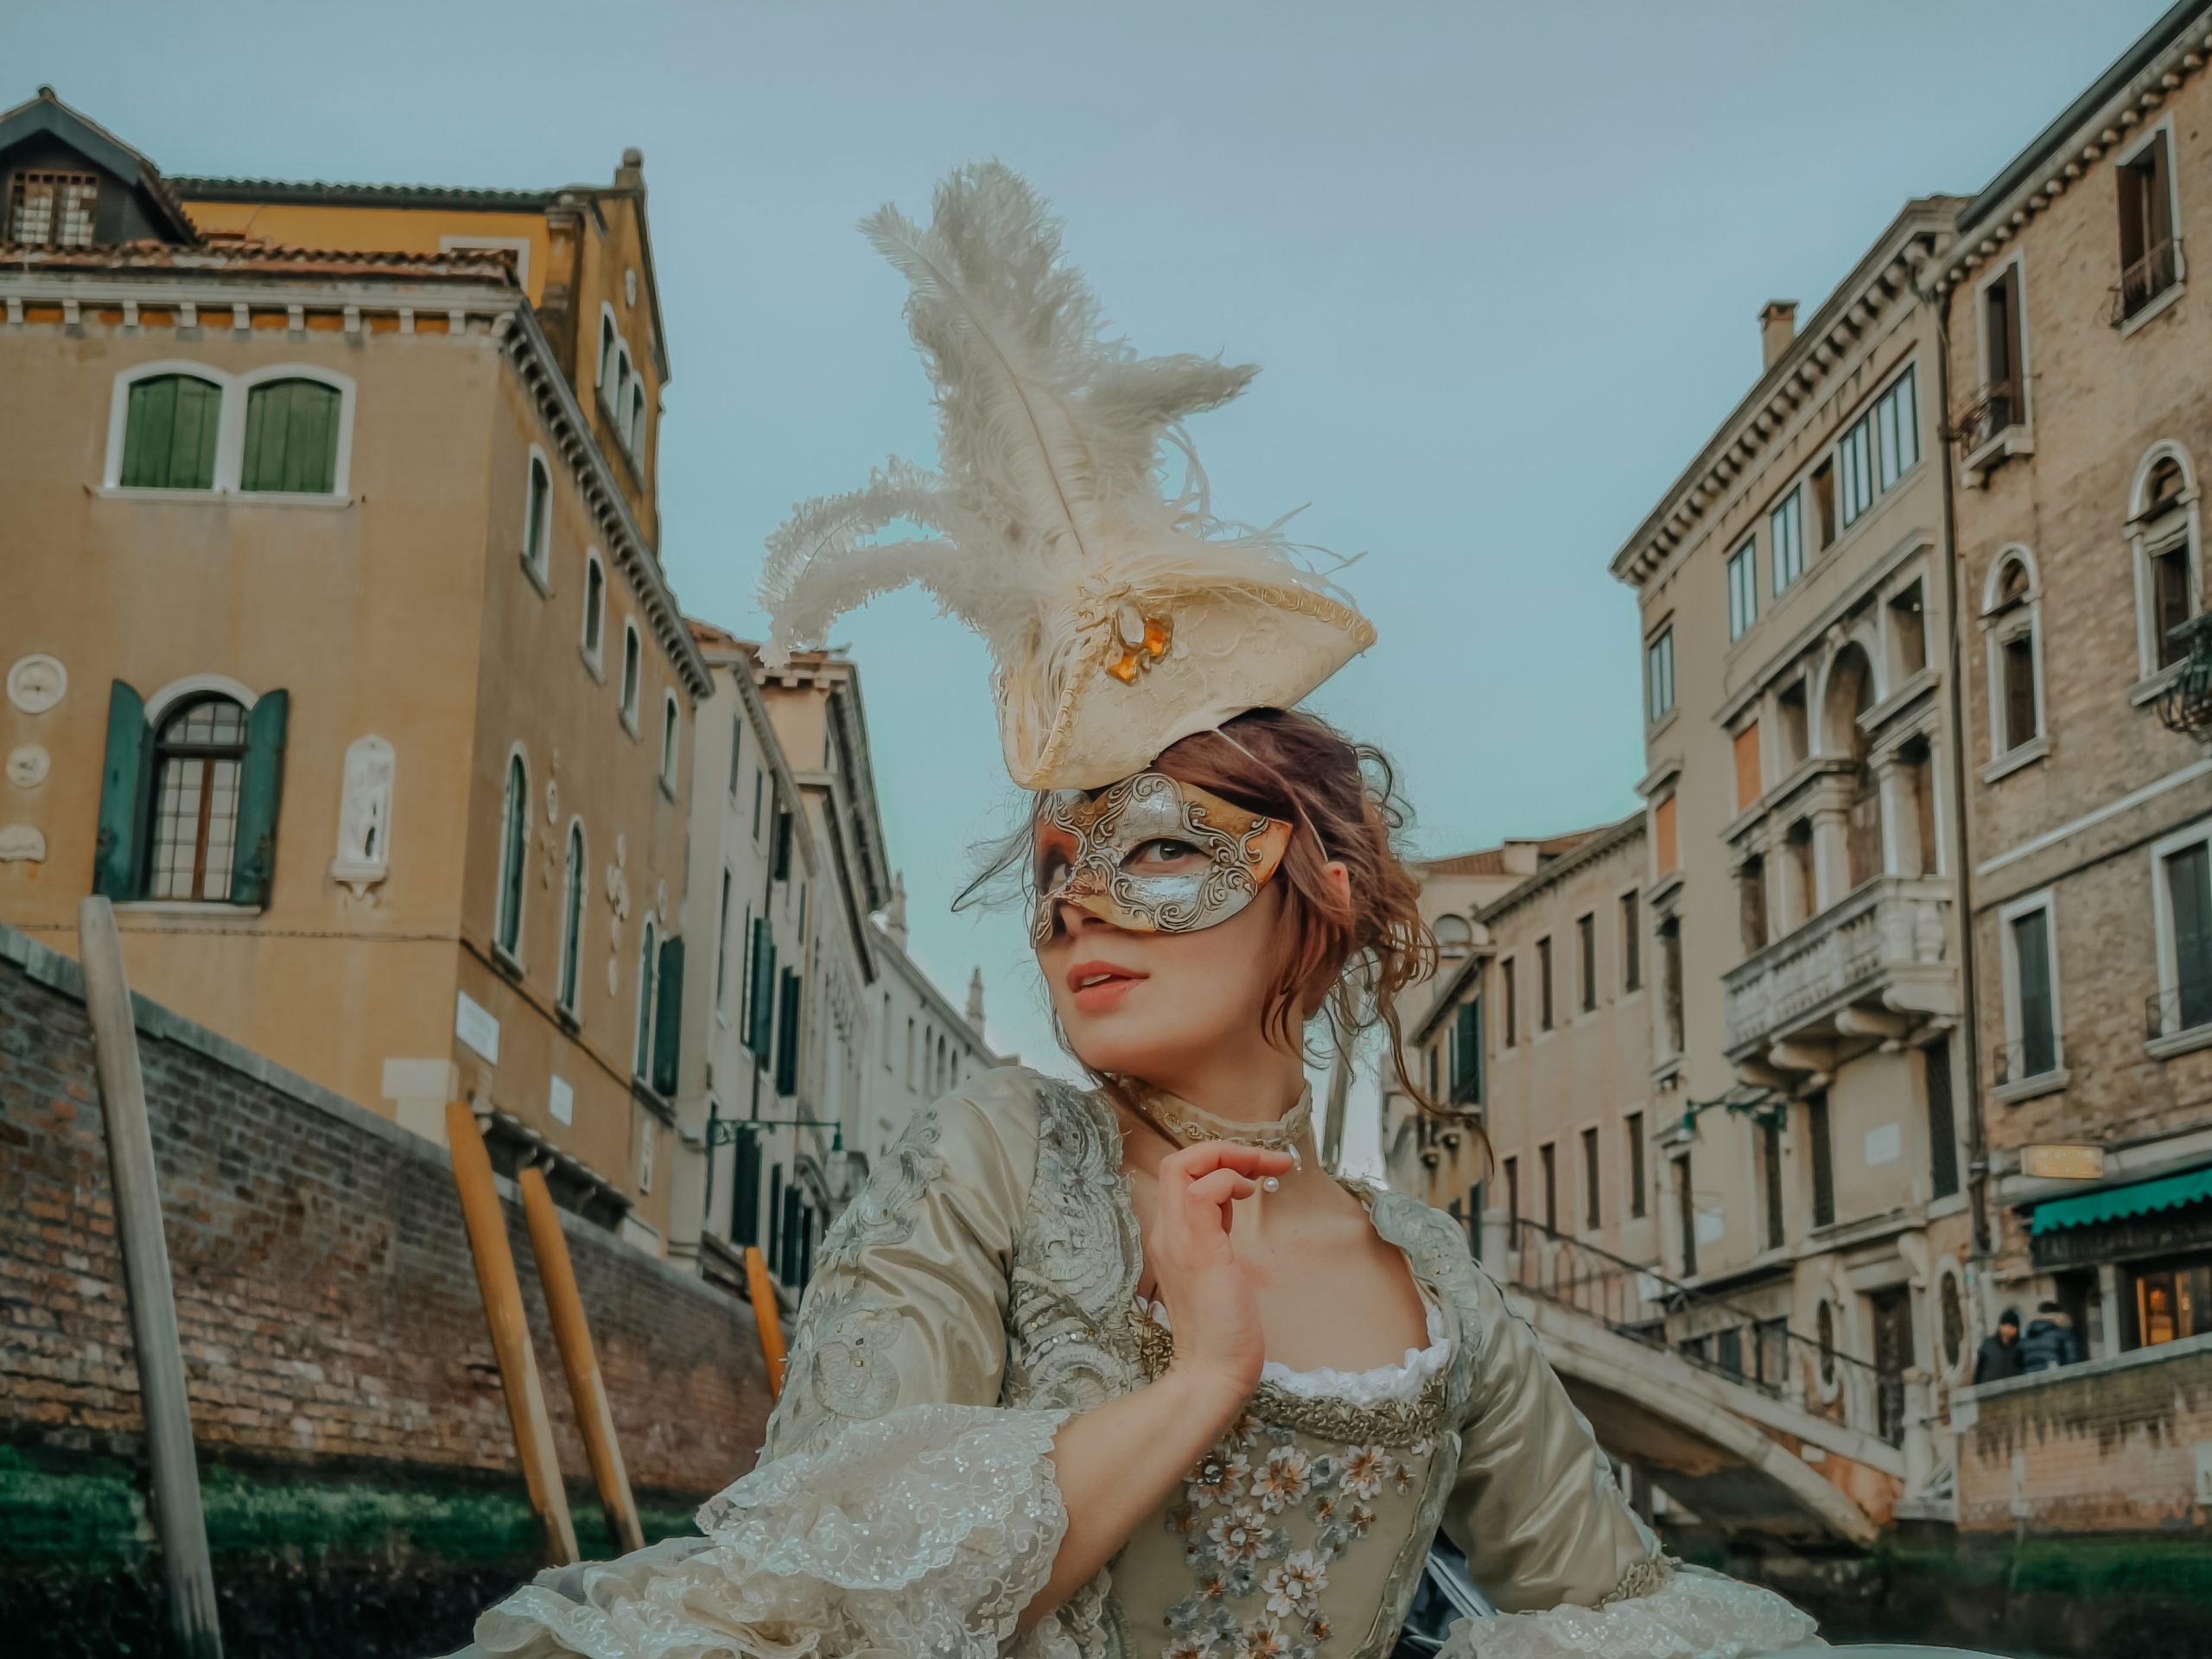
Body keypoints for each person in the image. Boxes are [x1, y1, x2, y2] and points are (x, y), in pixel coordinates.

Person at [451, 163, 1820, 1659]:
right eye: (1053, 873)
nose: (1075, 914)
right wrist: (1199, 1379)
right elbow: (834, 1601)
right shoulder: (991, 1164)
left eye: (1159, 853)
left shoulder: (1436, 1280)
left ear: (1322, 894)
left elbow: (1627, 1618)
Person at [2018, 1300, 2084, 1372]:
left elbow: (2018, 1362)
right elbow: (2073, 1360)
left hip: (2031, 1377)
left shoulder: (2027, 1336)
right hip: (2057, 1377)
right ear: (2059, 1315)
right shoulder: (2063, 1333)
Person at [1972, 1307, 2024, 1385]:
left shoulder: (2020, 1348)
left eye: (2011, 1326)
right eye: (2006, 1325)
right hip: (1989, 1390)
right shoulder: (1988, 1345)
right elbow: (1978, 1374)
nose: (2008, 1329)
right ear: (2000, 1326)